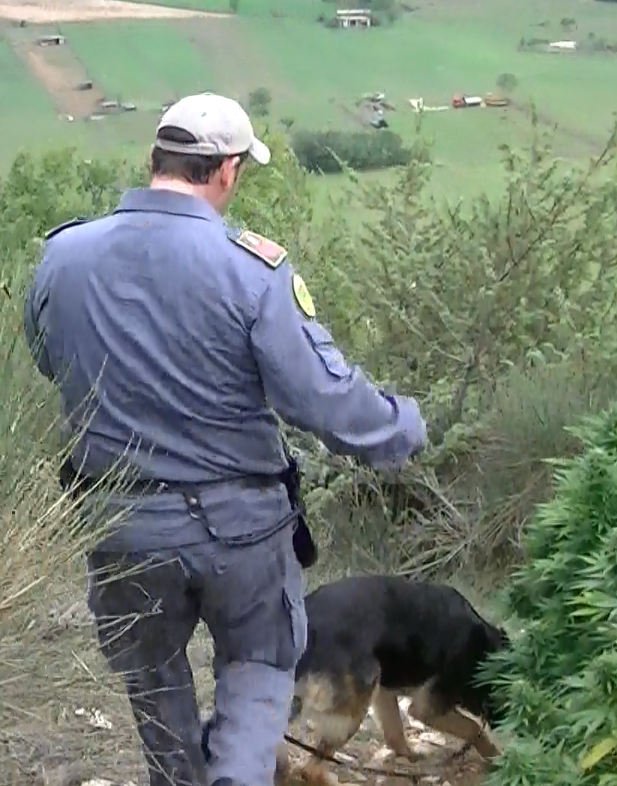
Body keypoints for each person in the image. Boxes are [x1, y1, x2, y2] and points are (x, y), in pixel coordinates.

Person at [23, 92, 427, 786]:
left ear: (154, 160)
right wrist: (404, 427)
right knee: (258, 672)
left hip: (115, 521)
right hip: (239, 532)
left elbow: (47, 357)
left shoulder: (63, 258)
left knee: (154, 688)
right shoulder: (251, 269)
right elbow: (322, 399)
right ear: (228, 171)